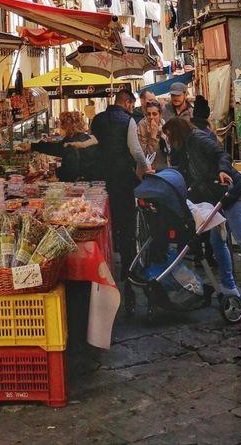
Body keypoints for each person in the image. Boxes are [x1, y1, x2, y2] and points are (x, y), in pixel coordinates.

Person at [164, 116, 241, 302]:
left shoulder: (198, 139)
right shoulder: (186, 146)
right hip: (215, 197)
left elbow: (222, 155)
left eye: (170, 135)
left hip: (231, 190)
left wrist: (223, 170)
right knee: (217, 242)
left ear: (178, 132)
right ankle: (228, 285)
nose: (169, 140)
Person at [91, 89, 153, 309]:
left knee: (106, 224)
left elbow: (93, 146)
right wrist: (147, 167)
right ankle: (128, 272)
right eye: (131, 105)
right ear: (126, 103)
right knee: (127, 227)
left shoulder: (97, 120)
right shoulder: (128, 121)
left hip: (100, 179)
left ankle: (103, 270)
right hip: (123, 180)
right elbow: (135, 150)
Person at [30, 111, 102, 182]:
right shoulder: (86, 137)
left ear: (65, 127)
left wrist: (57, 174)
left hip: (82, 181)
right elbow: (57, 148)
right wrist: (33, 146)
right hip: (93, 179)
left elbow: (71, 169)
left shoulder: (70, 141)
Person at [136, 100, 169, 172]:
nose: (151, 117)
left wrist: (161, 134)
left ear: (160, 115)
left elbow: (169, 149)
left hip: (163, 167)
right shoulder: (141, 126)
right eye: (148, 114)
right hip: (148, 170)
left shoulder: (164, 124)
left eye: (154, 114)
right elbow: (145, 156)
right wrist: (153, 136)